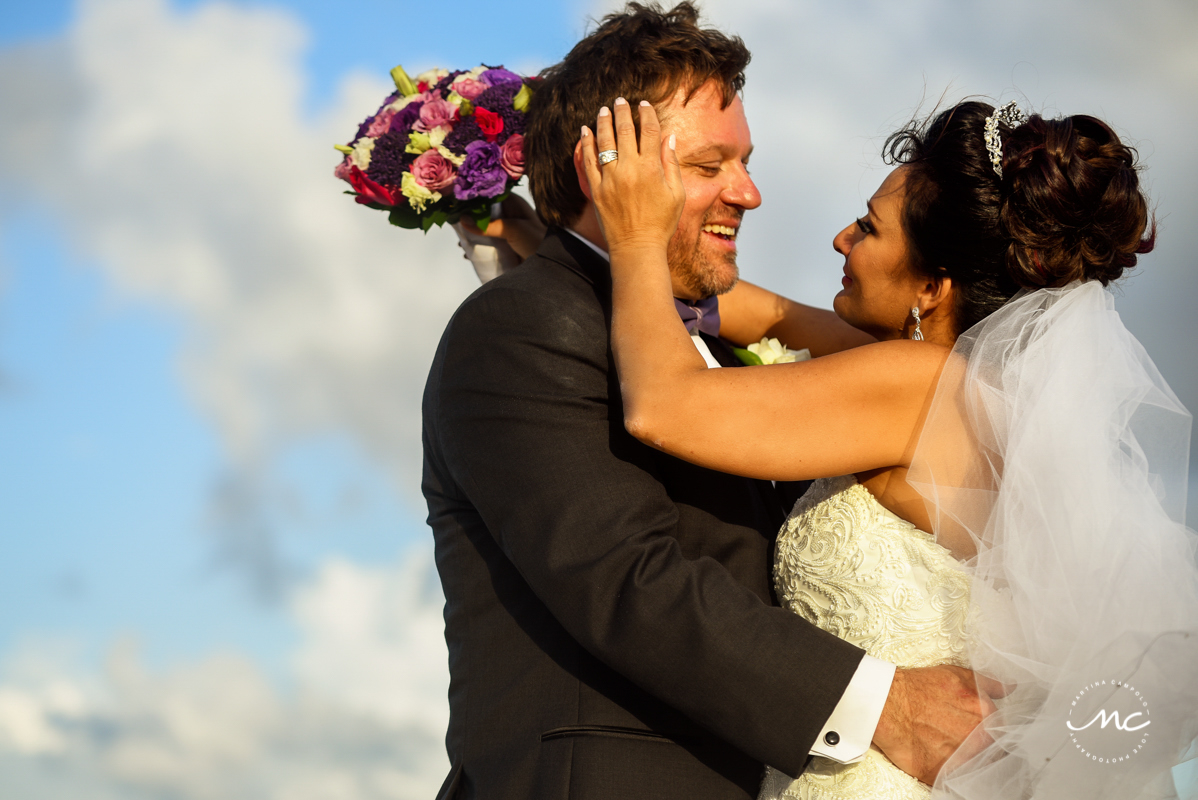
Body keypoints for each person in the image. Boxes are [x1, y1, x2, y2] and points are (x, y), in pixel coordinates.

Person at [421, 4, 999, 799]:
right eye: (707, 167)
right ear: (609, 174)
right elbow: (626, 577)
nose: (750, 192)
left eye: (745, 161)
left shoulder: (705, 348)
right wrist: (889, 704)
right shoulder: (518, 326)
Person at [581, 89, 1198, 798]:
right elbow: (770, 314)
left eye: (867, 229)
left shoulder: (912, 384)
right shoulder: (971, 391)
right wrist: (553, 244)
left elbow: (665, 406)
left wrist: (631, 231)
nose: (841, 240)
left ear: (933, 287)